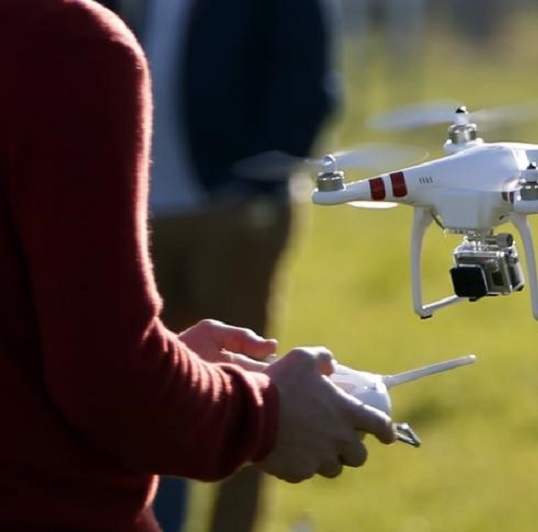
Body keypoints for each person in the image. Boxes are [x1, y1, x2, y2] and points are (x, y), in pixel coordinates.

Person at [0, 1, 394, 530]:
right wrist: (264, 416)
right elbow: (112, 378)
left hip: (227, 208)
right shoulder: (62, 40)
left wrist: (255, 187)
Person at [138, 0, 340, 529]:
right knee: (149, 385)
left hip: (231, 213)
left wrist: (258, 186)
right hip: (133, 214)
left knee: (249, 383)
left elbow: (307, 79)